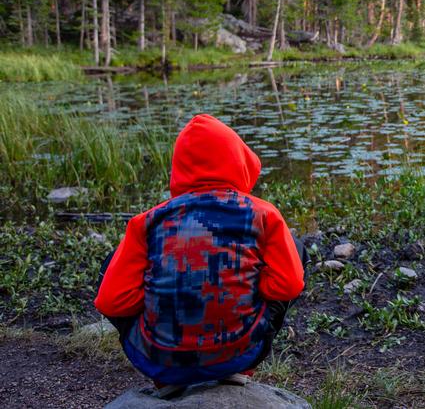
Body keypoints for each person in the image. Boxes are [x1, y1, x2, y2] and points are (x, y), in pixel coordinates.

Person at [94, 114, 305, 396]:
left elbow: (111, 301)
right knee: (295, 248)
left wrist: (159, 297)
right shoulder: (263, 214)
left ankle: (168, 381)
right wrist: (251, 286)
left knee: (112, 265)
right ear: (238, 159)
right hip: (242, 351)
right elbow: (288, 285)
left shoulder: (147, 221)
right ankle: (238, 371)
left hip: (159, 360)